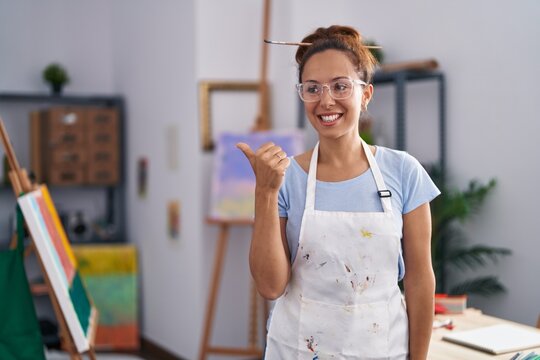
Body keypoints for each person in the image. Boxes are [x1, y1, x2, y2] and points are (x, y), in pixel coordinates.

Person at [237, 25, 440, 360]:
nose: (326, 100)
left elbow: (420, 280)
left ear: (366, 94)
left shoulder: (404, 172)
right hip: (299, 350)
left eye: (340, 86)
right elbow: (270, 286)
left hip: (381, 349)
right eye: (312, 88)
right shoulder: (285, 177)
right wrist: (265, 192)